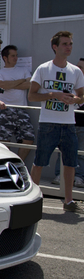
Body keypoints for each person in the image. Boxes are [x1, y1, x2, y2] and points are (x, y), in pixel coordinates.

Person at [29, 31, 84, 213]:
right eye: (65, 44)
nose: (69, 47)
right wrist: (53, 94)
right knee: (39, 162)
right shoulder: (43, 69)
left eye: (70, 44)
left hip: (69, 124)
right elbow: (32, 95)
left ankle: (68, 201)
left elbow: (81, 95)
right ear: (55, 47)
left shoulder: (75, 71)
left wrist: (74, 100)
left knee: (70, 163)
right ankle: (32, 200)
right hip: (48, 124)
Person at [0, 45, 35, 160]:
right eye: (13, 56)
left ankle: (17, 165)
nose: (15, 58)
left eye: (16, 55)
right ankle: (8, 165)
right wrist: (21, 81)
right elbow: (1, 85)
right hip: (4, 109)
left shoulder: (24, 70)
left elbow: (29, 85)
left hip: (21, 109)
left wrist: (10, 84)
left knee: (28, 138)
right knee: (4, 142)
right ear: (5, 58)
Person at [54, 57, 84, 187]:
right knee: (62, 150)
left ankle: (78, 177)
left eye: (81, 67)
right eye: (77, 66)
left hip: (82, 124)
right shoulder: (69, 81)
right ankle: (59, 175)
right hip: (65, 122)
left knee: (81, 153)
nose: (78, 69)